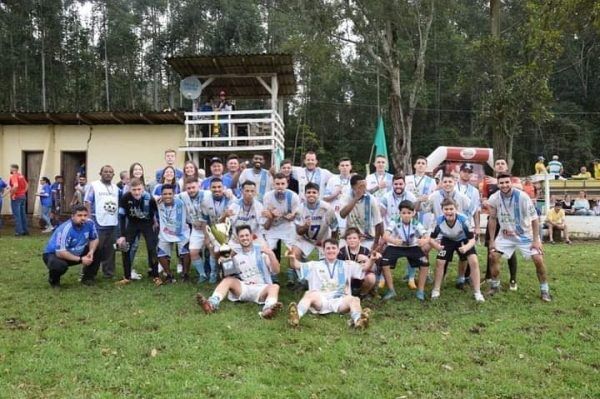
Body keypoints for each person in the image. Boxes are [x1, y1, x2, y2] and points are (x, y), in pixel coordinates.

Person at [486, 174, 552, 302]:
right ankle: (495, 286)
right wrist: (492, 240)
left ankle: (545, 290)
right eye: (501, 183)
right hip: (506, 235)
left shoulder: (522, 197)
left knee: (538, 259)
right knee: (493, 256)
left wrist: (536, 240)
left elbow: (535, 219)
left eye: (507, 182)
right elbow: (492, 219)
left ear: (511, 183)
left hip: (525, 236)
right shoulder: (494, 198)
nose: (504, 185)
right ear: (497, 184)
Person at [196, 225, 282, 319]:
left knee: (275, 286)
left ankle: (268, 310)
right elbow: (225, 275)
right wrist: (225, 261)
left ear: (251, 236)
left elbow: (276, 270)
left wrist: (271, 254)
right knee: (228, 280)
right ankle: (212, 304)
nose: (244, 238)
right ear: (238, 239)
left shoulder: (262, 253)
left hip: (261, 289)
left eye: (246, 235)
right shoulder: (236, 256)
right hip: (244, 288)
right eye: (241, 236)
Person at [286, 239, 375, 329]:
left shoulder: (347, 265)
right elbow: (296, 265)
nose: (331, 250)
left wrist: (372, 259)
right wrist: (292, 258)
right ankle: (296, 316)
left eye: (333, 248)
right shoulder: (314, 265)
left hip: (341, 300)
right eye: (328, 248)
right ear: (323, 250)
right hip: (321, 299)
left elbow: (364, 268)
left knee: (355, 300)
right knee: (309, 294)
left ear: (338, 250)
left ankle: (358, 321)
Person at [429, 199, 484, 302]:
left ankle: (477, 292)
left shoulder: (463, 220)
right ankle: (436, 289)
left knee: (474, 261)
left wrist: (466, 247)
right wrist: (437, 246)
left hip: (463, 240)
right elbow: (431, 239)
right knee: (439, 261)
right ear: (442, 210)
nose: (449, 211)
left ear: (456, 209)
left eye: (451, 209)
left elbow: (472, 239)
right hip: (447, 240)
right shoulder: (439, 220)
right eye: (446, 209)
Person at [481, 159, 521, 291]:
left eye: (502, 163)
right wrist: (486, 202)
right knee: (490, 248)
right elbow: (484, 198)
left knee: (510, 249)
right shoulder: (487, 182)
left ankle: (513, 279)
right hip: (493, 219)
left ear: (507, 166)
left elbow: (521, 189)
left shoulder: (513, 179)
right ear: (494, 167)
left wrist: (498, 183)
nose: (500, 165)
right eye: (497, 164)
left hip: (509, 221)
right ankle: (488, 276)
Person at [379, 200, 430, 301]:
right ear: (400, 213)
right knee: (384, 262)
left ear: (413, 213)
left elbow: (426, 236)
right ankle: (391, 290)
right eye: (404, 213)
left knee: (425, 263)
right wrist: (393, 240)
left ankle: (420, 291)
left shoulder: (416, 222)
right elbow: (385, 235)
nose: (406, 215)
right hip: (395, 246)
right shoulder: (394, 220)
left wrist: (424, 240)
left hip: (412, 247)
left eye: (409, 213)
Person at [42, 205, 100, 287]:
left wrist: (91, 251)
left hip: (75, 251)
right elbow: (60, 253)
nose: (83, 218)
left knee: (97, 248)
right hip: (54, 254)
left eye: (85, 215)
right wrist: (81, 259)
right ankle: (54, 281)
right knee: (59, 265)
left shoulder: (90, 223)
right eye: (79, 215)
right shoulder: (65, 229)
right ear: (72, 216)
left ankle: (88, 278)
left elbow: (94, 239)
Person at [116, 178, 160, 285]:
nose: (136, 192)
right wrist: (122, 235)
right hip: (133, 224)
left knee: (152, 248)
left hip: (147, 224)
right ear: (130, 189)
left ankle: (156, 276)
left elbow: (156, 211)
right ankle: (127, 277)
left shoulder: (149, 198)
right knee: (125, 247)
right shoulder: (125, 197)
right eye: (134, 189)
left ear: (143, 188)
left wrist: (156, 222)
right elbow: (121, 216)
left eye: (139, 189)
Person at [84, 165, 121, 279]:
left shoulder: (115, 188)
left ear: (113, 175)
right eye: (105, 172)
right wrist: (89, 219)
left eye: (110, 172)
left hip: (112, 222)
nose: (108, 174)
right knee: (95, 248)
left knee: (111, 249)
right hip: (97, 222)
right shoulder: (94, 186)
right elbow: (87, 201)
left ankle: (109, 273)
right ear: (100, 173)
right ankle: (88, 273)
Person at [291, 182, 339, 261]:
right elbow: (299, 231)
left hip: (323, 239)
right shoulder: (299, 209)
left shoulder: (327, 208)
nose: (311, 194)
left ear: (318, 194)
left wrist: (332, 244)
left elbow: (335, 228)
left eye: (314, 192)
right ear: (304, 194)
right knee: (294, 254)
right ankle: (299, 268)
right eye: (308, 192)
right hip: (306, 239)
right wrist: (305, 226)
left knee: (328, 262)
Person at [200, 177, 234, 283]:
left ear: (224, 188)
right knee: (212, 251)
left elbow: (231, 220)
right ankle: (213, 274)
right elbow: (204, 221)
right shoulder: (205, 201)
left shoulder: (231, 199)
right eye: (214, 187)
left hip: (229, 231)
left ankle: (228, 274)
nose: (217, 189)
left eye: (219, 187)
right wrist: (207, 237)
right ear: (210, 188)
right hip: (213, 231)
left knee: (226, 251)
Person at [339, 174, 384, 251]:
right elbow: (342, 214)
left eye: (365, 186)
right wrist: (356, 198)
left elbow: (378, 222)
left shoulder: (371, 199)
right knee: (340, 254)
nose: (364, 189)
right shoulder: (346, 197)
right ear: (353, 187)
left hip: (367, 237)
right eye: (360, 186)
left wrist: (376, 243)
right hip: (350, 236)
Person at [156, 184, 190, 284]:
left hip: (181, 232)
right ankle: (169, 274)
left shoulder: (181, 202)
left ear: (174, 194)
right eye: (164, 194)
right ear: (161, 195)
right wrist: (156, 197)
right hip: (165, 233)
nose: (167, 196)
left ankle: (185, 273)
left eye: (170, 194)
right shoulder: (158, 203)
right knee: (160, 254)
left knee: (186, 252)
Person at [179, 177, 208, 283]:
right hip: (196, 229)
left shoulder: (207, 194)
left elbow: (222, 194)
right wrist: (158, 197)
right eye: (189, 188)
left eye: (193, 187)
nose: (191, 190)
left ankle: (214, 274)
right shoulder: (183, 196)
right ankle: (202, 274)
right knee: (193, 252)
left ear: (198, 186)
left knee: (214, 251)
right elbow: (170, 197)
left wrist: (228, 192)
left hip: (210, 228)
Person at [225, 180, 266, 252]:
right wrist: (225, 216)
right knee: (226, 257)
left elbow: (263, 225)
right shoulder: (234, 205)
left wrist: (270, 217)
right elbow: (227, 224)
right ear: (242, 191)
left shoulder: (259, 206)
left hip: (255, 237)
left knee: (266, 256)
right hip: (237, 238)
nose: (250, 193)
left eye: (252, 191)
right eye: (247, 191)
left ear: (255, 192)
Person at [337, 227, 378, 298]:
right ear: (346, 240)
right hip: (347, 277)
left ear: (359, 239)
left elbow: (373, 268)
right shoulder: (341, 251)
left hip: (362, 275)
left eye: (354, 238)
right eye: (349, 238)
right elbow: (338, 269)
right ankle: (346, 294)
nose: (352, 240)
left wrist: (369, 260)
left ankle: (362, 294)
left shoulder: (365, 250)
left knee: (371, 278)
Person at [324, 157, 353, 233]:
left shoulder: (354, 180)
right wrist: (335, 194)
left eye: (347, 165)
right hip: (334, 214)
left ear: (350, 167)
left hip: (348, 215)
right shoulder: (332, 179)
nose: (344, 167)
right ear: (339, 167)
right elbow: (325, 198)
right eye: (342, 165)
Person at [9, 164, 29, 236]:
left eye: (10, 168)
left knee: (17, 215)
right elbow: (27, 185)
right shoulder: (21, 176)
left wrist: (12, 194)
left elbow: (15, 186)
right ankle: (25, 230)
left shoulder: (14, 176)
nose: (10, 170)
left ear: (13, 169)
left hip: (16, 198)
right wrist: (23, 192)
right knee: (22, 214)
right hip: (23, 196)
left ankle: (19, 231)